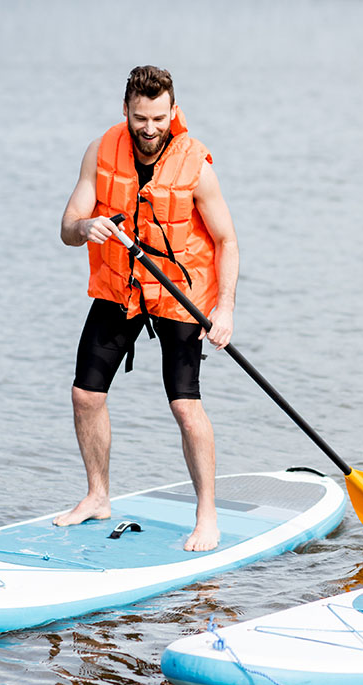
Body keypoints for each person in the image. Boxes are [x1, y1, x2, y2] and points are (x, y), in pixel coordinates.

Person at [54, 65, 239, 552]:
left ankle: (207, 517)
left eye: (159, 118)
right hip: (121, 288)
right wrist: (83, 229)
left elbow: (226, 240)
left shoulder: (196, 164)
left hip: (180, 291)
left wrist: (225, 310)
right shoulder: (100, 151)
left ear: (172, 113)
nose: (150, 128)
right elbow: (68, 225)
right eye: (141, 118)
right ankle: (97, 496)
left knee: (185, 404)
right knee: (84, 395)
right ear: (126, 111)